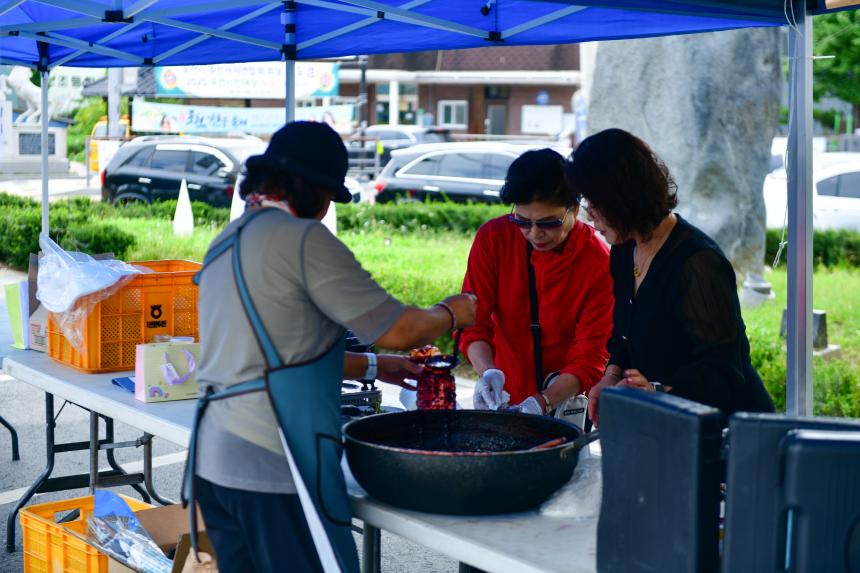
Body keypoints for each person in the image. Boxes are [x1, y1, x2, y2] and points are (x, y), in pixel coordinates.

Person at [185, 121, 476, 573]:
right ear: (310, 188)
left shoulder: (226, 242)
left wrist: (377, 366)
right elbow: (399, 328)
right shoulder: (301, 239)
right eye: (326, 197)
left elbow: (279, 357)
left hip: (214, 459)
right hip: (274, 462)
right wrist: (454, 312)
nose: (324, 212)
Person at [564, 128, 775, 425]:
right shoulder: (624, 250)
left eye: (593, 204)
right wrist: (609, 378)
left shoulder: (698, 262)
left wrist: (657, 391)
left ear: (621, 198)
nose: (589, 215)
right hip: (668, 424)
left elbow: (724, 372)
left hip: (729, 431)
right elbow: (625, 337)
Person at [460, 148, 614, 418]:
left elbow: (590, 357)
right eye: (522, 221)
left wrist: (540, 403)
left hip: (565, 400)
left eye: (549, 223)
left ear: (574, 210)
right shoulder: (494, 238)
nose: (534, 234)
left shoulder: (598, 260)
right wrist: (488, 373)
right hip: (503, 393)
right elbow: (472, 322)